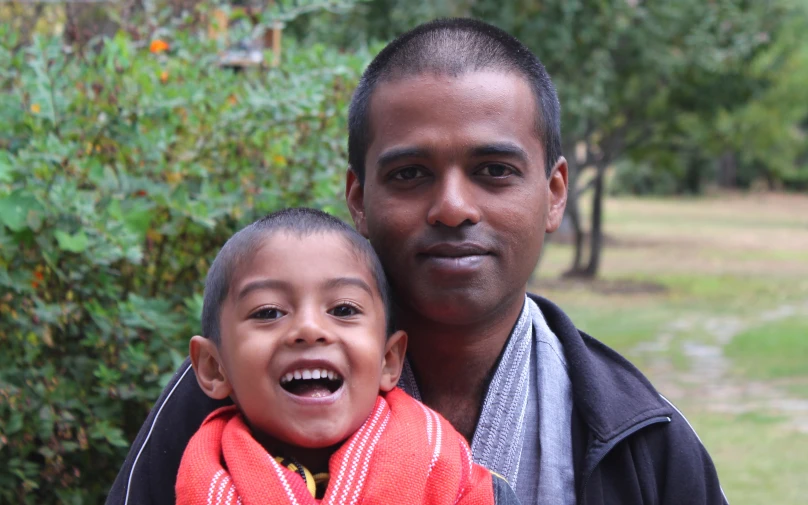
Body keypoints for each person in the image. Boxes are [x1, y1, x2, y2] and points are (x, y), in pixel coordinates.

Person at [107, 18, 728, 505]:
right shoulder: (241, 391)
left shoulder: (641, 438)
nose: (453, 207)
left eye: (494, 171)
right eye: (410, 174)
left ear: (554, 193)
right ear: (359, 198)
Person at [174, 207, 518, 505]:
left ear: (389, 360)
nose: (309, 328)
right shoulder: (191, 478)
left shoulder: (457, 479)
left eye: (343, 308)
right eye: (268, 313)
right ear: (214, 368)